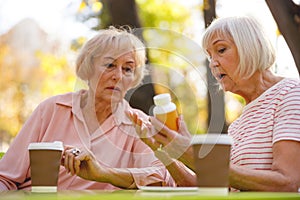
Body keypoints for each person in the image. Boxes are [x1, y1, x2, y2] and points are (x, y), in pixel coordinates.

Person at [127, 16, 300, 192]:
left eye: (221, 50)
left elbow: (287, 182)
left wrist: (192, 154)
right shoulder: (238, 124)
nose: (213, 63)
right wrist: (166, 152)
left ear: (251, 47)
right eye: (210, 56)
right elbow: (212, 187)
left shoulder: (291, 93)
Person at [0, 26, 175, 191]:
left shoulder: (139, 124)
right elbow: (5, 178)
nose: (118, 76)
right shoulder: (51, 110)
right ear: (88, 67)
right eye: (109, 65)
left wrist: (104, 173)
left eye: (128, 69)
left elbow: (162, 178)